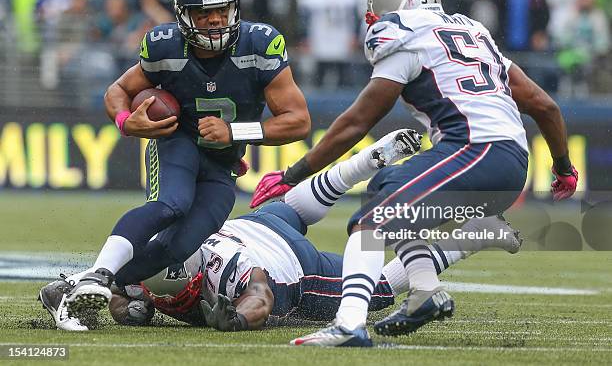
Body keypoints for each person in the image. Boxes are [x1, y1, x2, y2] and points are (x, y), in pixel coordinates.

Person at [251, 0, 579, 347]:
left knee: (369, 220)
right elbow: (545, 106)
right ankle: (424, 290)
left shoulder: (405, 36)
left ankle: (349, 324)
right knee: (390, 191)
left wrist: (292, 175)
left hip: (475, 151)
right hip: (510, 161)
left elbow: (357, 122)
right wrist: (563, 168)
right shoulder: (471, 33)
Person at [38, 0, 310, 330]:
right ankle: (99, 273)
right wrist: (125, 121)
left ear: (235, 9)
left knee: (177, 248)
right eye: (203, 13)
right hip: (177, 139)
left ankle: (74, 285)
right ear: (185, 17)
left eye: (221, 11)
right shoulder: (166, 46)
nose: (214, 22)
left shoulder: (259, 45)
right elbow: (117, 91)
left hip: (223, 161)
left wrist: (235, 132)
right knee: (172, 204)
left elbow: (298, 120)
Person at [106, 130, 520, 332]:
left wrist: (238, 320)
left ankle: (472, 237)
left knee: (375, 287)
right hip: (259, 222)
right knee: (294, 205)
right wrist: (132, 308)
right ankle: (365, 162)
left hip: (292, 265)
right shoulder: (165, 255)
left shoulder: (224, 269)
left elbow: (261, 295)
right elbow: (121, 296)